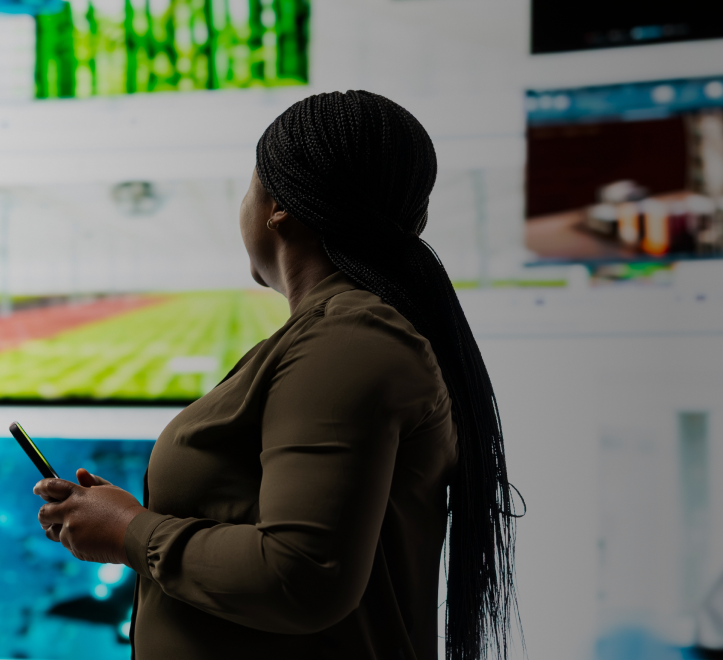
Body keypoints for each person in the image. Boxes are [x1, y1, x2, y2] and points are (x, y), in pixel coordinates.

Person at [33, 90, 519, 660]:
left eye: (249, 185)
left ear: (277, 206)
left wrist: (130, 531)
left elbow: (302, 574)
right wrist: (122, 518)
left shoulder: (347, 340)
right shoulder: (338, 336)